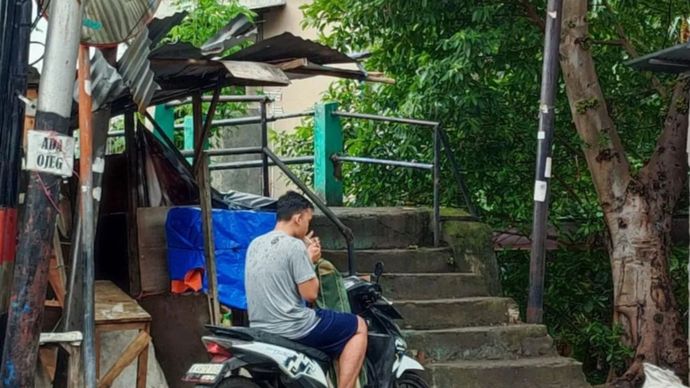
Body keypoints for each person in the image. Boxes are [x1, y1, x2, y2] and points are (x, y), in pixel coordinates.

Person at [245, 191, 367, 388]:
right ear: (298, 218)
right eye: (308, 220)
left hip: (260, 327)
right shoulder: (294, 247)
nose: (308, 226)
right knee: (359, 326)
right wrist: (310, 259)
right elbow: (310, 294)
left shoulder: (255, 244)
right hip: (293, 327)